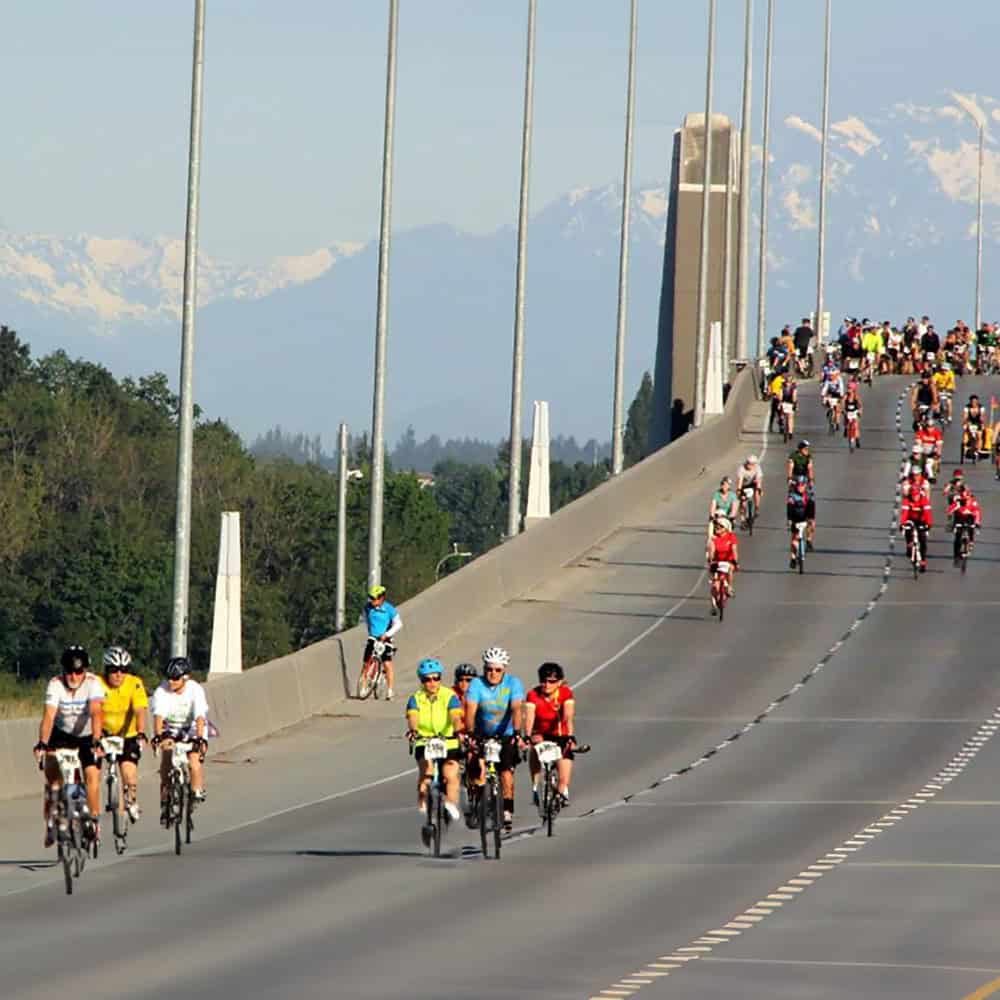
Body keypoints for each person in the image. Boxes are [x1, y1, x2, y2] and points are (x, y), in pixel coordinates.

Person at [33, 646, 105, 848]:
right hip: (61, 734)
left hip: (86, 735)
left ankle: (93, 820)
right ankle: (50, 821)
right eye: (70, 672)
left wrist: (97, 739)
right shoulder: (55, 684)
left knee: (92, 776)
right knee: (52, 779)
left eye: (79, 672)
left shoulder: (93, 683)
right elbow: (48, 716)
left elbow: (96, 713)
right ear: (63, 671)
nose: (74, 676)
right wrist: (42, 743)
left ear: (85, 671)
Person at [465, 646, 525, 832]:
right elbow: (470, 709)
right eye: (489, 669)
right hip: (483, 732)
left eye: (497, 670)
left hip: (506, 733)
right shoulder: (476, 684)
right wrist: (470, 731)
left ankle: (507, 811)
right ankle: (478, 802)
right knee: (478, 768)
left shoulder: (513, 683)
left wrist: (516, 731)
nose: (493, 673)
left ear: (504, 670)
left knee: (506, 772)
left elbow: (516, 709)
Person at [406, 658, 464, 843]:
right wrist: (414, 731)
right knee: (427, 771)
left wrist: (458, 729)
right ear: (421, 681)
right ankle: (424, 803)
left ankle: (449, 803)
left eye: (435, 678)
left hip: (448, 741)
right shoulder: (416, 698)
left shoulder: (449, 696)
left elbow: (455, 715)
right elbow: (413, 716)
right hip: (425, 741)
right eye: (427, 679)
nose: (432, 683)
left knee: (451, 773)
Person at [150, 657, 209, 826]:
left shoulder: (195, 690)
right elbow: (158, 716)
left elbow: (200, 716)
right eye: (168, 677)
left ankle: (196, 790)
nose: (171, 681)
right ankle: (165, 801)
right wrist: (157, 735)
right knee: (166, 761)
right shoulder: (162, 690)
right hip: (172, 729)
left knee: (193, 762)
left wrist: (199, 738)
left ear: (185, 678)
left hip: (191, 728)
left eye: (175, 678)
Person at [99, 646, 148, 823]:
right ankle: (116, 813)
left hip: (128, 734)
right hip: (104, 734)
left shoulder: (134, 683)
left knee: (128, 773)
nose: (119, 675)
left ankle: (132, 800)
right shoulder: (97, 683)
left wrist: (141, 733)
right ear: (106, 670)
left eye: (123, 670)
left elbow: (140, 710)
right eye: (114, 670)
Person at [524, 663, 577, 806]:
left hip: (561, 734)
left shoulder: (565, 693)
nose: (546, 685)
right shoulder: (533, 695)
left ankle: (560, 793)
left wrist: (569, 735)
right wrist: (527, 736)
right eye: (543, 680)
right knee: (534, 747)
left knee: (563, 778)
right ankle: (535, 786)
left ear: (559, 682)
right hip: (540, 734)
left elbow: (568, 716)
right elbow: (529, 718)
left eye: (551, 681)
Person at [362, 584, 402, 700]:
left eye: (374, 598)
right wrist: (370, 631)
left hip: (386, 638)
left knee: (387, 664)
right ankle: (364, 686)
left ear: (381, 598)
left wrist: (387, 635)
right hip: (373, 637)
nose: (372, 601)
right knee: (366, 662)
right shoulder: (367, 608)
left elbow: (399, 624)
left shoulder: (389, 609)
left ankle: (390, 691)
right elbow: (365, 619)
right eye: (371, 598)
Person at [899, 479, 933, 572]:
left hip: (921, 520)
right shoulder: (907, 500)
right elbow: (904, 513)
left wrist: (928, 524)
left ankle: (923, 561)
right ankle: (909, 544)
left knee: (923, 540)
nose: (915, 498)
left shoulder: (924, 500)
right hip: (910, 518)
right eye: (913, 496)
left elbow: (927, 513)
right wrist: (902, 524)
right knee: (908, 529)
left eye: (916, 496)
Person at [706, 515, 739, 608]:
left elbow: (734, 550)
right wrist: (711, 559)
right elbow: (712, 551)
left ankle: (729, 587)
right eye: (716, 526)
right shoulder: (714, 539)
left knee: (730, 569)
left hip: (729, 561)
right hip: (717, 562)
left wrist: (736, 561)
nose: (717, 528)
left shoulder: (731, 537)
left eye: (720, 526)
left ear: (725, 528)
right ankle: (713, 604)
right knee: (715, 585)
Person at [947, 485, 982, 565]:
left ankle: (971, 542)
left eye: (966, 494)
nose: (964, 496)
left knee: (971, 528)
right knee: (957, 537)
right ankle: (956, 557)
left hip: (969, 519)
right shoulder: (958, 501)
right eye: (962, 492)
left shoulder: (973, 502)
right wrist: (949, 514)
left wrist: (977, 523)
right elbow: (951, 508)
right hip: (959, 519)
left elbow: (977, 512)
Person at [786, 478, 811, 568]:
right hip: (795, 519)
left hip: (804, 519)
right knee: (794, 539)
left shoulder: (807, 495)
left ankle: (807, 543)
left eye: (802, 485)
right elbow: (789, 508)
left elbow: (810, 508)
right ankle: (793, 557)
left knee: (804, 532)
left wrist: (810, 519)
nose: (801, 487)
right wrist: (789, 520)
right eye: (799, 485)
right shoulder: (792, 496)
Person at [735, 454, 763, 526]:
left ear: (754, 464)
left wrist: (759, 489)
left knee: (757, 491)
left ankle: (757, 508)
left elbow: (759, 480)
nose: (749, 465)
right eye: (748, 463)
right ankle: (742, 519)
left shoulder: (757, 468)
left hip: (753, 484)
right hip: (744, 485)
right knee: (742, 501)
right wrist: (739, 491)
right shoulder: (741, 469)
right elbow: (740, 482)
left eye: (751, 464)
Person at [915, 417, 943, 482]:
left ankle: (931, 477)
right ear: (926, 426)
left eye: (931, 427)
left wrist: (938, 455)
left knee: (928, 465)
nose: (930, 429)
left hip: (932, 453)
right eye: (928, 427)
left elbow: (939, 446)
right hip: (923, 452)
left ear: (934, 427)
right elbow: (918, 444)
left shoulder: (937, 433)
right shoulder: (921, 432)